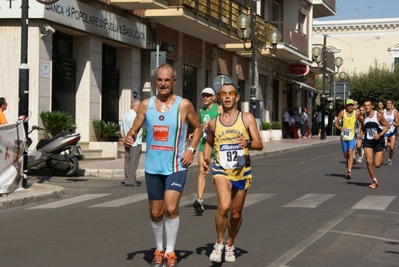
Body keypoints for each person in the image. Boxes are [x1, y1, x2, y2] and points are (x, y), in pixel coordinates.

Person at [124, 64, 202, 267]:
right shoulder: (145, 104)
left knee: (171, 207)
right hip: (153, 167)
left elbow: (198, 127)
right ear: (155, 81)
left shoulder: (183, 105)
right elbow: (135, 128)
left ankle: (170, 251)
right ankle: (158, 248)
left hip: (176, 166)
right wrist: (130, 136)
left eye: (167, 80)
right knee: (156, 213)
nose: (163, 84)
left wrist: (191, 149)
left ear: (174, 82)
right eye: (160, 80)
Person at [203, 83, 263, 263]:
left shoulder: (247, 118)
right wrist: (206, 159)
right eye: (223, 93)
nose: (227, 96)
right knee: (224, 206)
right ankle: (219, 242)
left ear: (237, 97)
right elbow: (209, 142)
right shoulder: (214, 122)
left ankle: (230, 243)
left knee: (236, 214)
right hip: (221, 169)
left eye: (231, 93)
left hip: (241, 171)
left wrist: (248, 143)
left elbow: (259, 144)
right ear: (219, 98)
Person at [190, 87, 222, 214]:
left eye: (208, 95)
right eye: (203, 95)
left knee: (220, 173)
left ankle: (224, 199)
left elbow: (226, 120)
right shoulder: (201, 110)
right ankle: (200, 200)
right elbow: (199, 126)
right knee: (201, 171)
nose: (205, 98)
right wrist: (194, 134)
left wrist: (212, 124)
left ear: (214, 97)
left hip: (218, 144)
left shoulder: (219, 108)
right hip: (205, 143)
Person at [359, 99, 389, 189]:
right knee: (368, 161)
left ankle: (382, 152)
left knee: (377, 164)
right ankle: (374, 180)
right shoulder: (362, 117)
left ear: (372, 106)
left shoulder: (378, 115)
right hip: (368, 140)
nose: (366, 107)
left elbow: (387, 126)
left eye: (368, 105)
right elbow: (363, 127)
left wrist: (379, 134)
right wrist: (361, 133)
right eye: (365, 105)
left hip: (378, 140)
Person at [334, 99, 361, 180]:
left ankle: (349, 171)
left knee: (350, 153)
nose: (350, 106)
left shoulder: (356, 113)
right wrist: (340, 127)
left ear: (353, 106)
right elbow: (335, 123)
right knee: (346, 155)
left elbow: (361, 122)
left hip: (352, 136)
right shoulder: (342, 112)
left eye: (351, 105)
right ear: (346, 106)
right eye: (348, 105)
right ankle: (348, 161)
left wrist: (360, 130)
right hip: (344, 136)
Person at [119, 100, 142, 187]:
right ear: (136, 107)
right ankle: (131, 181)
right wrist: (131, 139)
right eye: (139, 107)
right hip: (135, 142)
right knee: (133, 162)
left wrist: (125, 138)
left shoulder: (125, 116)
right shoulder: (135, 116)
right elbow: (135, 130)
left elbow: (121, 129)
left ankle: (127, 179)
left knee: (127, 162)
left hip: (127, 142)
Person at [383, 100, 399, 166]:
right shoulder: (382, 112)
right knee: (385, 145)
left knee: (392, 147)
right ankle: (381, 156)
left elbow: (398, 123)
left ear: (392, 104)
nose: (388, 104)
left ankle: (389, 159)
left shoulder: (395, 113)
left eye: (389, 103)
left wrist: (395, 124)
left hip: (392, 131)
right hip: (385, 131)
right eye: (387, 103)